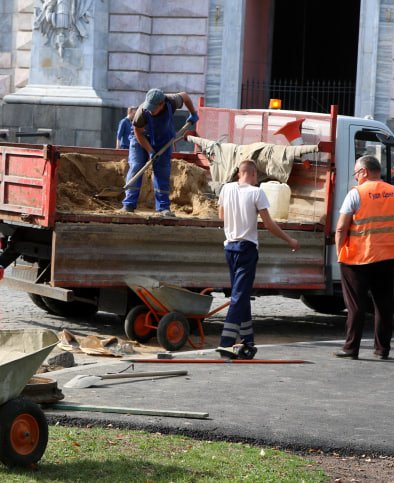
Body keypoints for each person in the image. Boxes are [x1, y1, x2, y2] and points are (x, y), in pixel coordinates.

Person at [334, 156, 394, 360]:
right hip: (388, 256)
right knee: (383, 304)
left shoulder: (356, 194)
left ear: (364, 172)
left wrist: (341, 250)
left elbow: (341, 227)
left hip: (358, 257)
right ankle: (382, 349)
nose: (356, 178)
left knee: (356, 304)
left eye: (357, 173)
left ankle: (351, 349)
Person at [216, 160, 300, 359]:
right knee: (239, 297)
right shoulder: (257, 193)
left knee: (242, 295)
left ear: (239, 173)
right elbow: (269, 224)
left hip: (229, 247)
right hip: (247, 249)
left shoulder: (226, 189)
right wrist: (290, 240)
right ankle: (226, 343)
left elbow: (221, 215)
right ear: (253, 175)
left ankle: (247, 341)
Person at [121, 88, 199, 216]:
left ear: (161, 104)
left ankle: (163, 208)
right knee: (136, 166)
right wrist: (150, 151)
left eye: (153, 108)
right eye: (148, 108)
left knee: (162, 171)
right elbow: (138, 132)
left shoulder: (171, 101)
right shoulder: (141, 112)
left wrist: (193, 113)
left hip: (163, 139)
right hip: (140, 138)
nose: (150, 111)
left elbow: (184, 96)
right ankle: (128, 204)